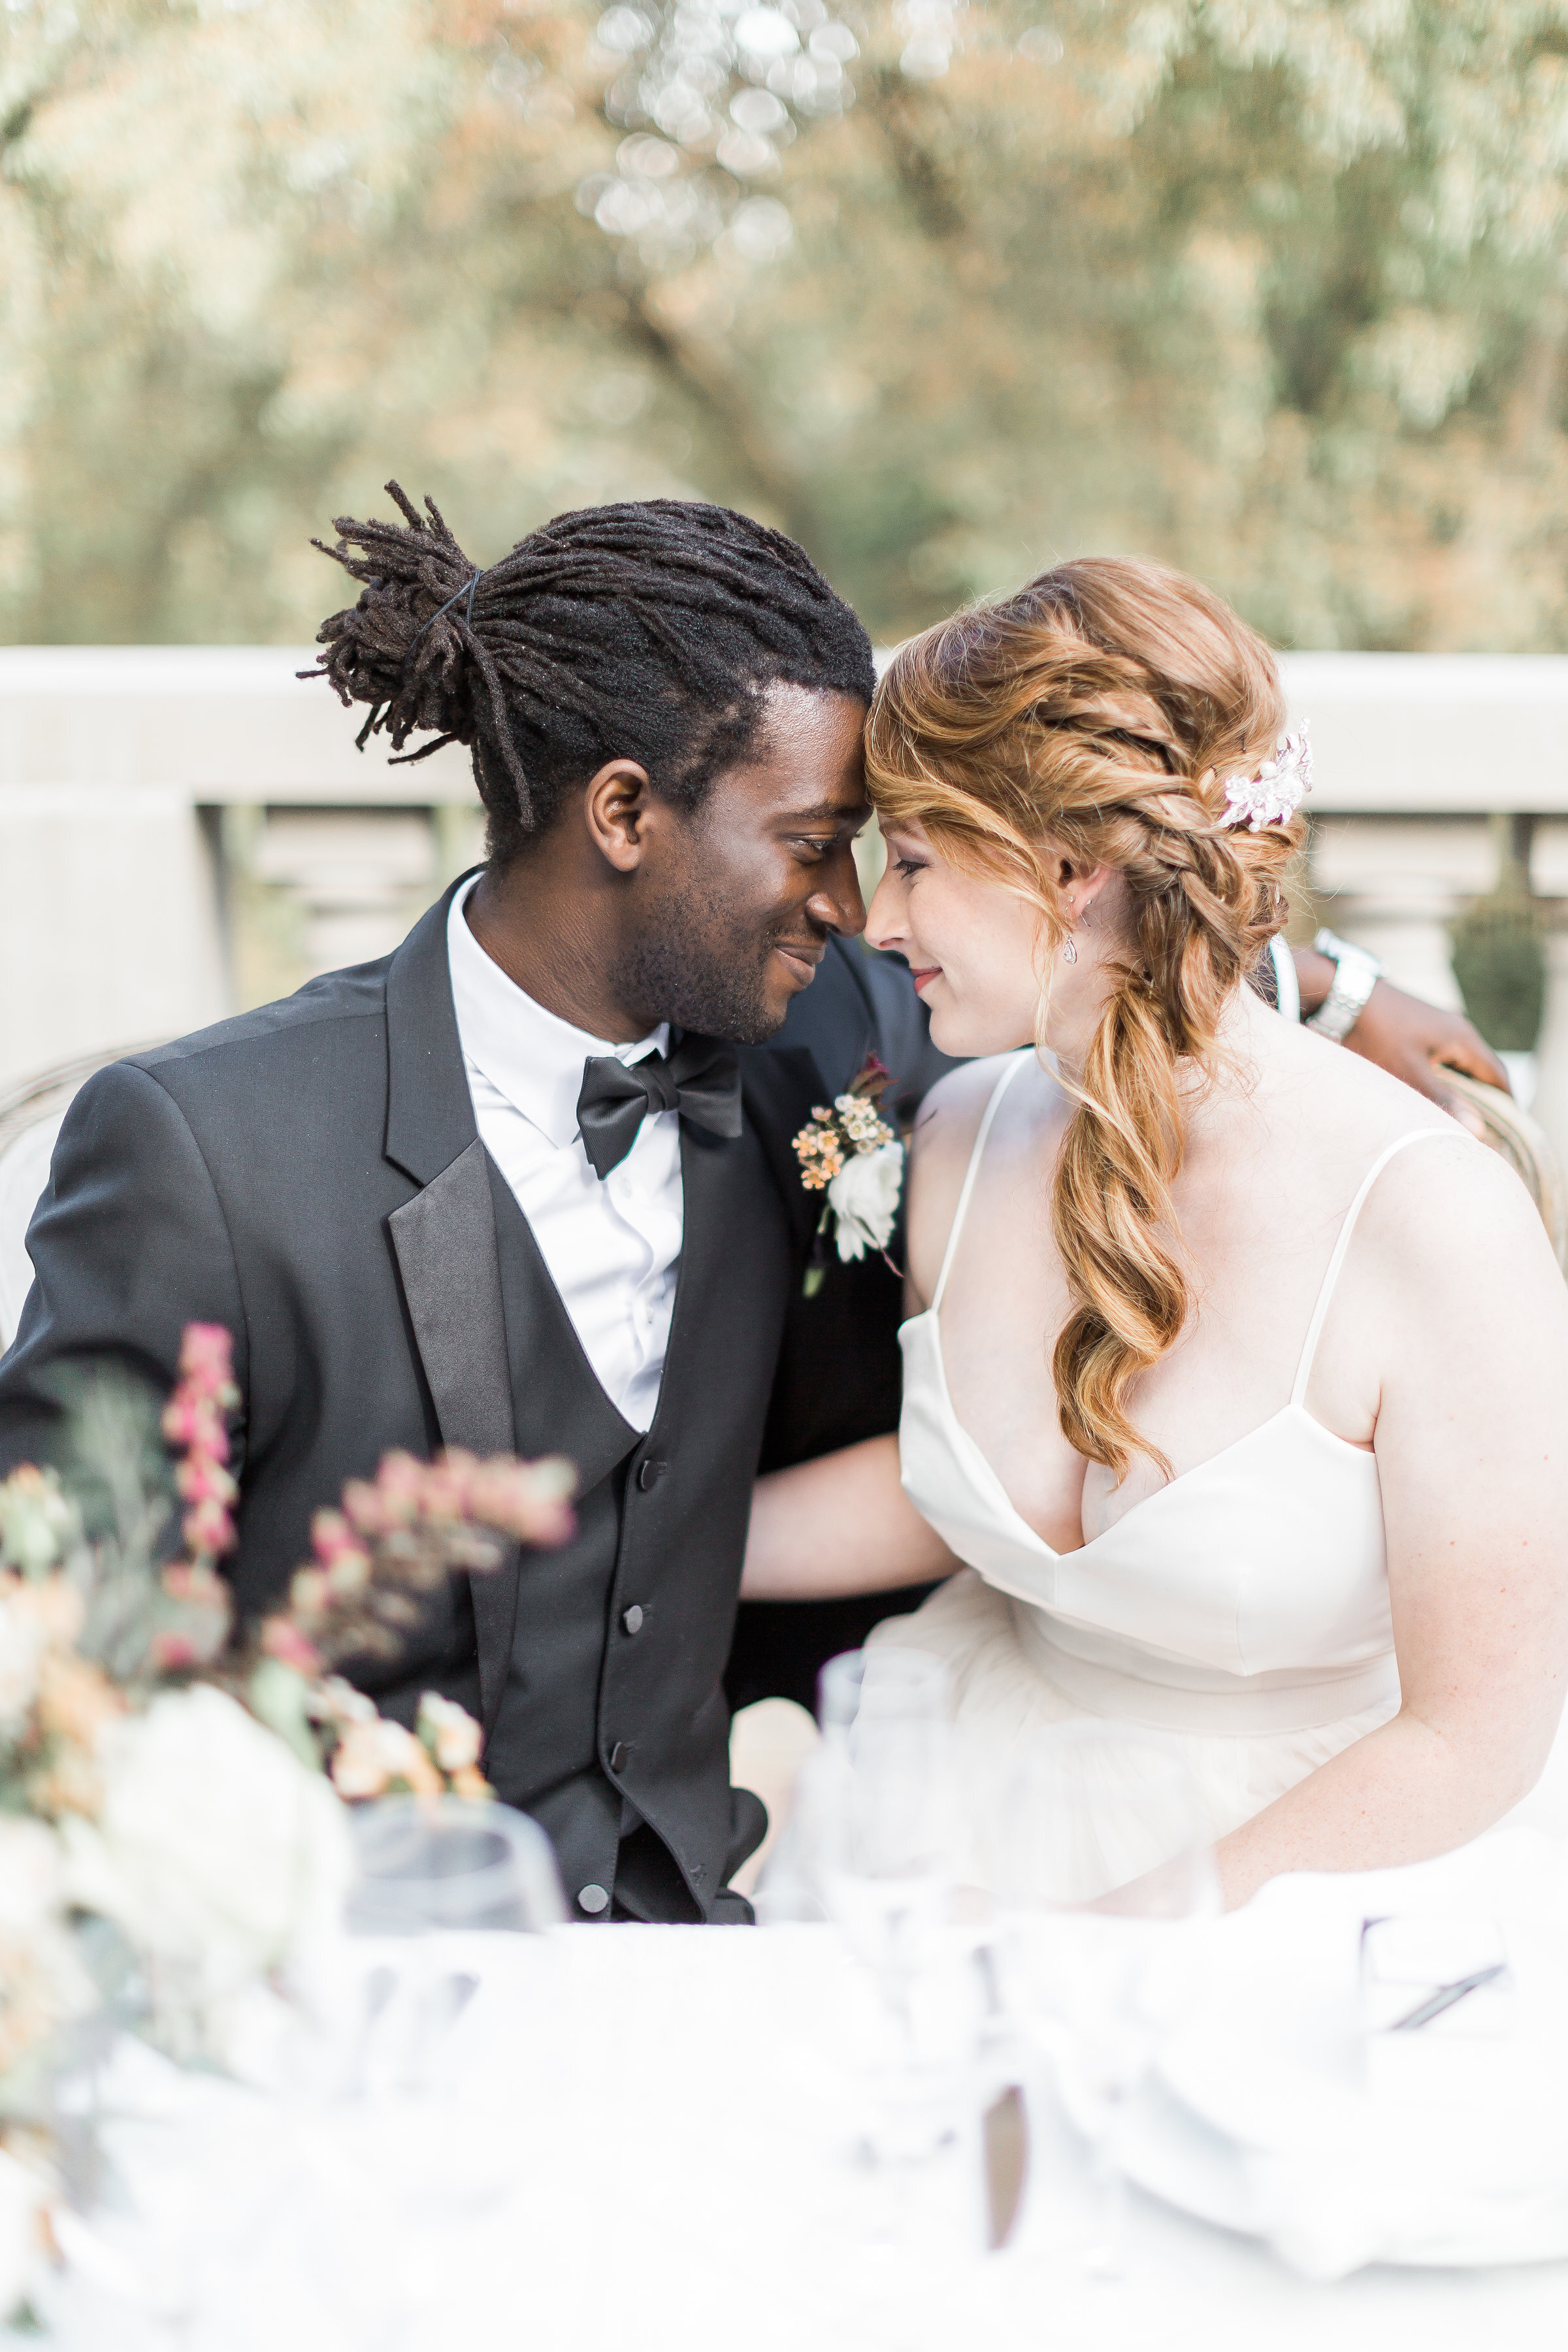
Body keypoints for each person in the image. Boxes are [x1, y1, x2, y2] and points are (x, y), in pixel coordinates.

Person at [742, 556, 1568, 1907]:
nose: (874, 921)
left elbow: (1476, 1737)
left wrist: (1129, 1938)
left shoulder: (1433, 1225)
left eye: (918, 861)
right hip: (962, 1800)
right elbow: (959, 1493)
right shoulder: (952, 1141)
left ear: (1067, 870)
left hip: (1305, 1867)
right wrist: (632, 1542)